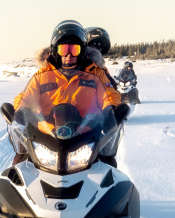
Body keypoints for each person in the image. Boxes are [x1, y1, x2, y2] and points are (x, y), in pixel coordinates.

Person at [8, 20, 123, 164]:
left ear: (83, 50)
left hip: (85, 139)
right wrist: (22, 110)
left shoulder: (95, 73)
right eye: (64, 49)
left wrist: (111, 109)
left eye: (74, 49)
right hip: (45, 139)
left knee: (109, 165)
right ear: (55, 50)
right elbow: (26, 96)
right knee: (19, 165)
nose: (69, 55)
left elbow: (109, 94)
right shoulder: (43, 74)